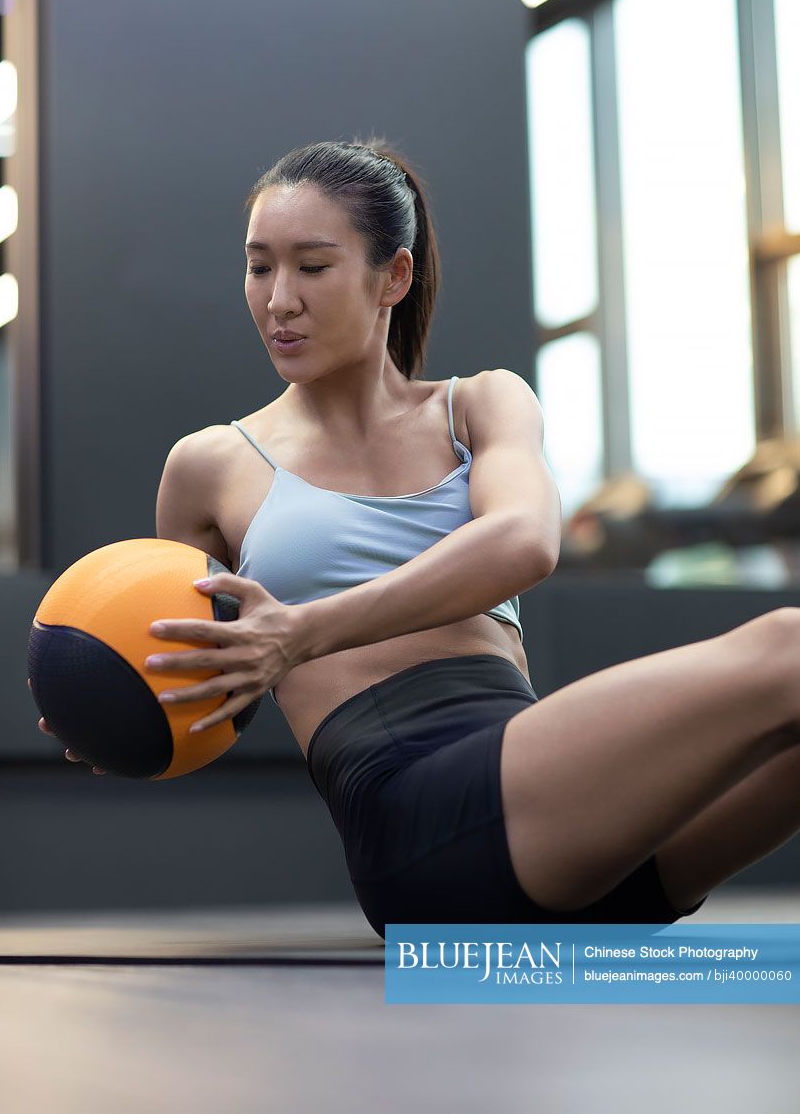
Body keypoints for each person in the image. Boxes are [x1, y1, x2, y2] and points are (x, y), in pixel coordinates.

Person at [40, 137, 800, 937]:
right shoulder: (209, 466)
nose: (278, 299)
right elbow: (210, 675)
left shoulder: (479, 406)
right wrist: (112, 705)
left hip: (561, 826)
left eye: (312, 265)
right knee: (787, 649)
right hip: (419, 826)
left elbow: (523, 541)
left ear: (392, 276)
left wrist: (302, 630)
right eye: (259, 266)